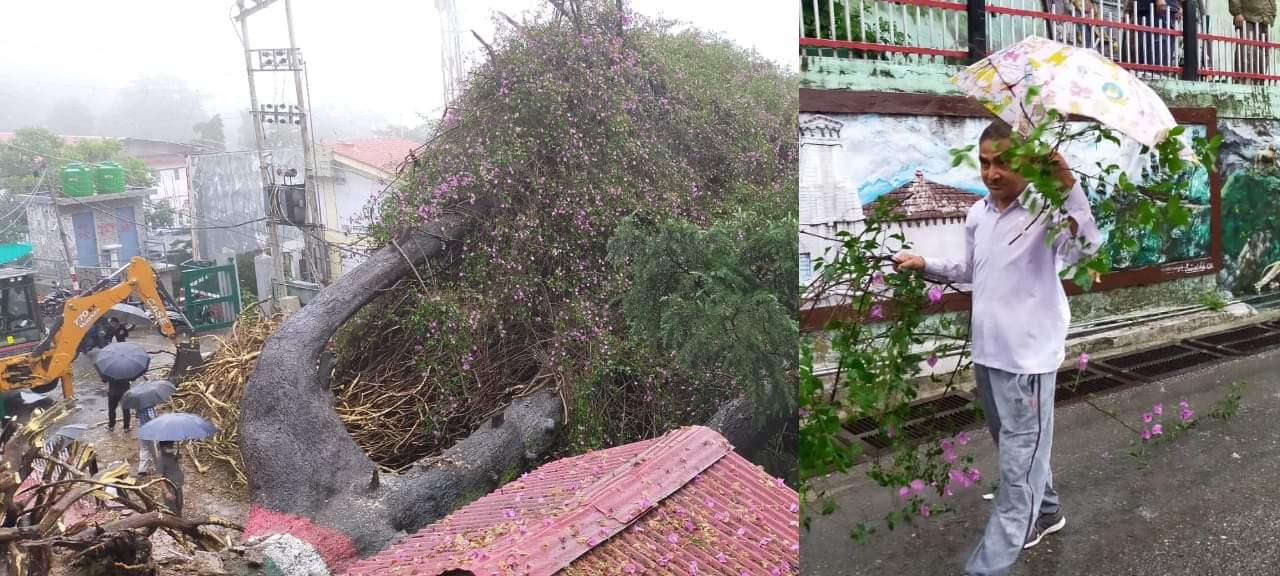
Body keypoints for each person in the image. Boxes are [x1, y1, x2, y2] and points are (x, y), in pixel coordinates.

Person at [894, 119, 1102, 576]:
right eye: (985, 163)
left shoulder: (1045, 213)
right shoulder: (977, 213)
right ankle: (1046, 512)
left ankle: (989, 563)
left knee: (1015, 472)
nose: (992, 173)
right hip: (988, 354)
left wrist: (1069, 189)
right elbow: (970, 269)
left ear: (1026, 162)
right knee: (1014, 449)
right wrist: (924, 263)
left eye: (1003, 162)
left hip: (1028, 358)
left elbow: (1085, 251)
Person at [1230, 0, 1276, 83]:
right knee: (1246, 50)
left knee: (1263, 53)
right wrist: (1237, 12)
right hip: (1248, 16)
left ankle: (1258, 82)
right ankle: (1243, 81)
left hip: (1265, 18)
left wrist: (1272, 14)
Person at [156, 440, 184, 516]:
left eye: (172, 445)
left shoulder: (171, 454)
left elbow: (172, 464)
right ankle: (173, 524)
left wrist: (176, 458)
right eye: (169, 446)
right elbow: (160, 478)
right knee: (172, 509)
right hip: (170, 488)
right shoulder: (161, 460)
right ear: (163, 447)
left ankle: (179, 520)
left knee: (180, 504)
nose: (171, 447)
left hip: (177, 485)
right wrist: (167, 492)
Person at [135, 399, 159, 476]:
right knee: (155, 450)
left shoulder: (138, 405)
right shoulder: (149, 407)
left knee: (144, 449)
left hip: (142, 429)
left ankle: (142, 469)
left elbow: (137, 416)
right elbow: (152, 417)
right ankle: (159, 467)